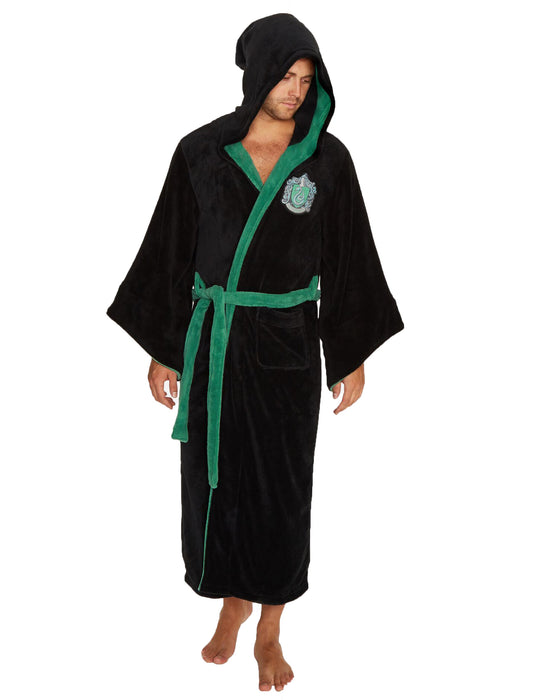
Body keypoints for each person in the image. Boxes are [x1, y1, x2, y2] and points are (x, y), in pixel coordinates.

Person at [106, 12, 404, 693]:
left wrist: (349, 352)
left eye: (306, 79)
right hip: (215, 340)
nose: (295, 91)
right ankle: (231, 601)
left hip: (287, 346)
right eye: (285, 76)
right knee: (213, 480)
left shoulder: (327, 161)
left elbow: (349, 256)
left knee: (281, 487)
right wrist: (166, 348)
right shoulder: (200, 153)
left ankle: (269, 625)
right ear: (257, 76)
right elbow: (170, 251)